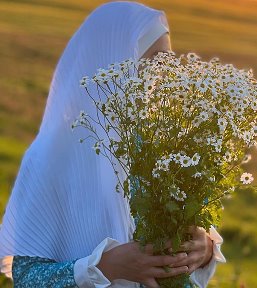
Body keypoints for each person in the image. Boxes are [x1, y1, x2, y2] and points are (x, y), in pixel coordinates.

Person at [0, 2, 225, 287]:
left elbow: (184, 236)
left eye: (168, 60)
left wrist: (204, 248)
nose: (164, 74)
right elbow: (27, 277)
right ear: (109, 59)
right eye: (154, 59)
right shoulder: (49, 158)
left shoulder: (162, 148)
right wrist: (104, 266)